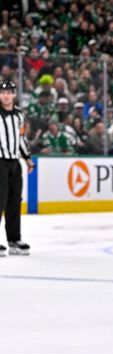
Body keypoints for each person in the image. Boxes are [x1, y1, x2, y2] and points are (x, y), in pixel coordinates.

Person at [0, 79, 34, 257]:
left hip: (14, 162)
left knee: (14, 201)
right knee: (0, 200)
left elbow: (21, 138)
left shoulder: (19, 115)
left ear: (14, 94)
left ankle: (14, 239)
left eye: (9, 92)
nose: (5, 96)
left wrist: (28, 158)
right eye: (2, 93)